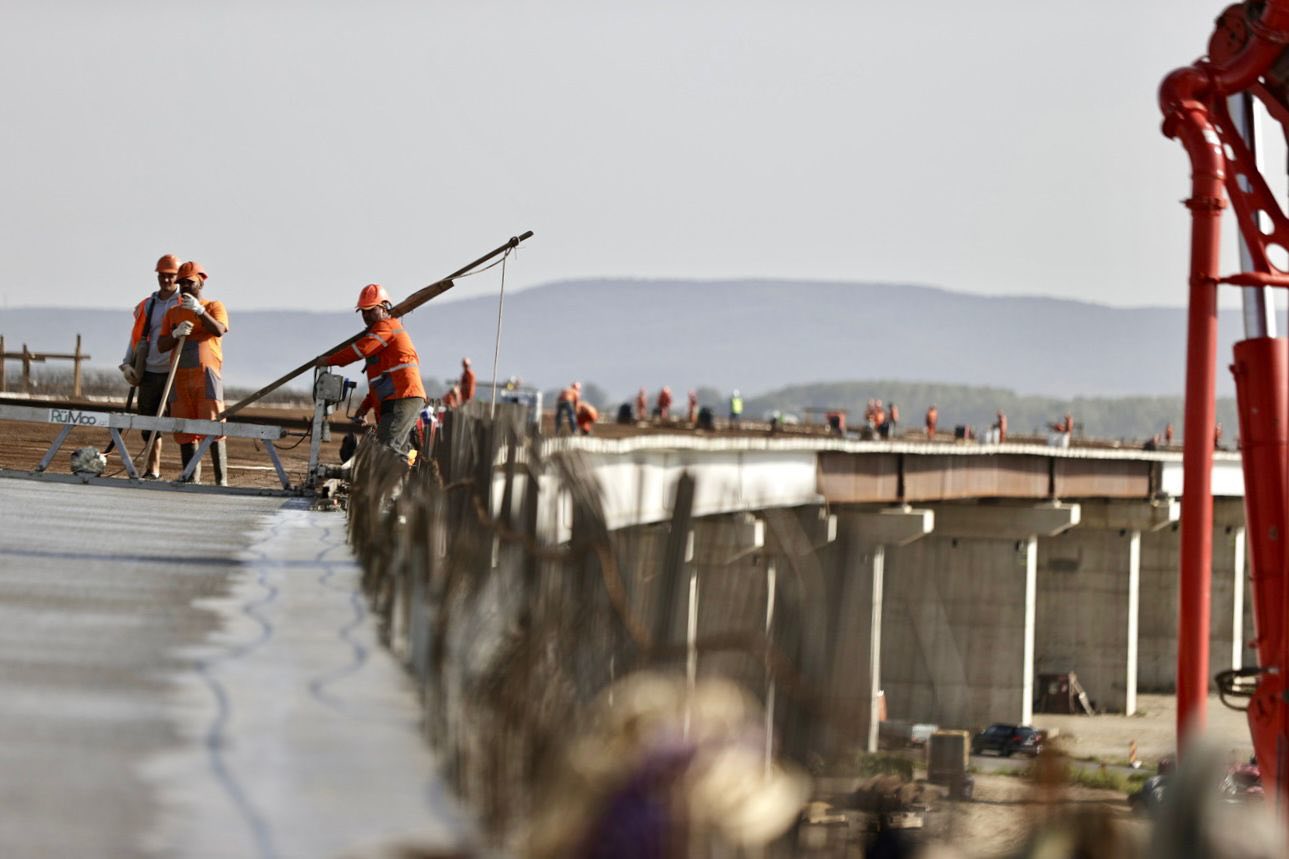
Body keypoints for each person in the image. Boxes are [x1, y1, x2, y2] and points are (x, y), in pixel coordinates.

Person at [316, 283, 426, 460]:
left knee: (388, 449)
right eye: (363, 312)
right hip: (397, 398)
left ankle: (398, 484)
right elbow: (379, 383)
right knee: (395, 449)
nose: (366, 315)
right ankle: (405, 478)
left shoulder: (385, 327)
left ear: (383, 307)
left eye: (370, 310)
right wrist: (364, 408)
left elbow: (361, 350)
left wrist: (329, 360)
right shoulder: (379, 338)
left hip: (404, 397)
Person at [157, 261, 230, 484]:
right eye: (181, 283)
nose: (184, 287)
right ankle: (190, 477)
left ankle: (221, 480)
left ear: (201, 282)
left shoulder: (213, 306)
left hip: (206, 376)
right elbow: (161, 345)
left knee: (214, 426)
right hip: (180, 378)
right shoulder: (173, 313)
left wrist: (199, 311)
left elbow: (219, 329)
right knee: (184, 427)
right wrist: (176, 334)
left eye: (189, 282)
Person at [119, 254, 183, 479]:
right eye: (162, 276)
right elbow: (136, 337)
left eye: (171, 276)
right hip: (149, 371)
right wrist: (127, 363)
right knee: (148, 423)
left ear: (178, 277)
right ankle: (152, 469)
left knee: (180, 422)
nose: (166, 280)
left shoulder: (184, 303)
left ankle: (190, 471)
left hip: (174, 372)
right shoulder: (148, 305)